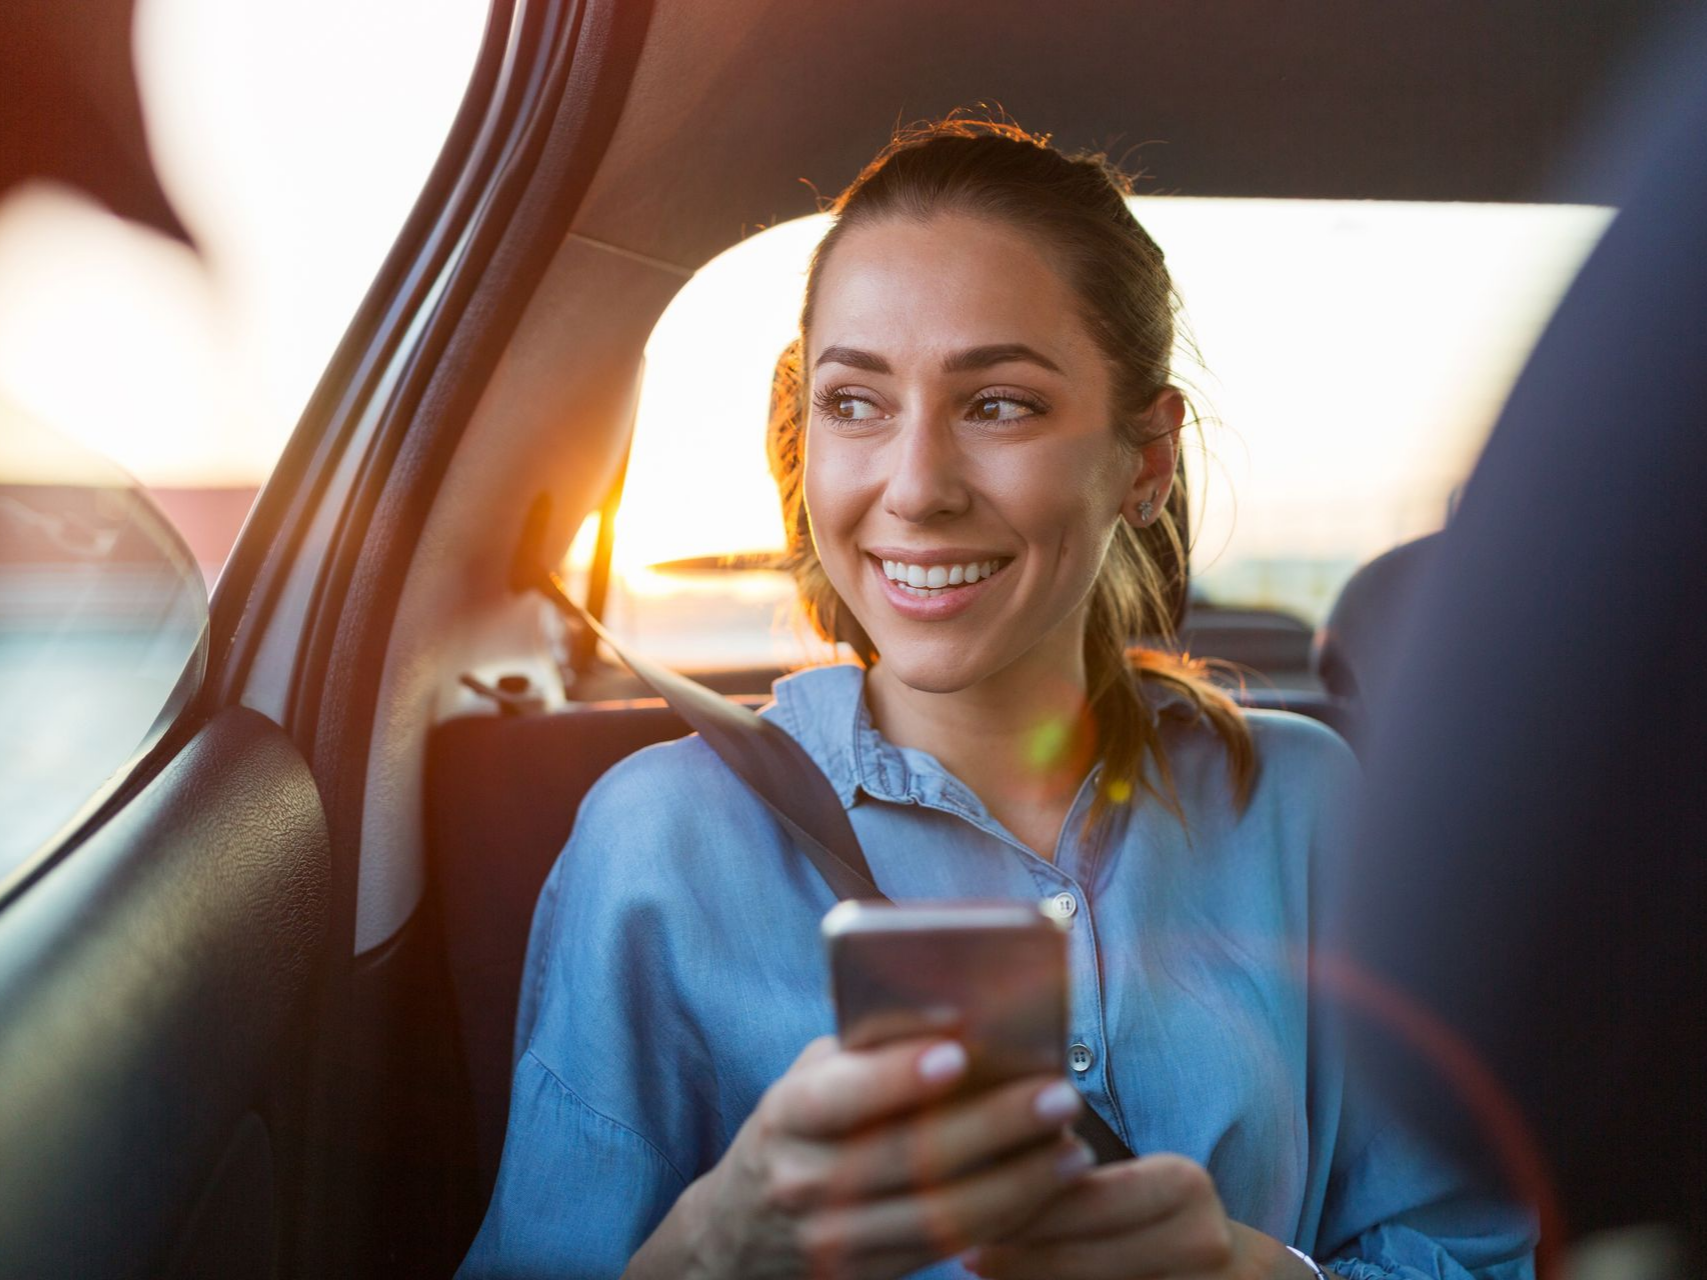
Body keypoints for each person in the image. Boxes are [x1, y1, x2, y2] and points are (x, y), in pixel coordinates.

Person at [458, 120, 1536, 1280]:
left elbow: (1474, 1251)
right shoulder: (655, 841)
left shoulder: (1302, 801)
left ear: (1145, 461)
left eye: (1000, 404)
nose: (916, 486)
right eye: (856, 402)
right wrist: (719, 1243)